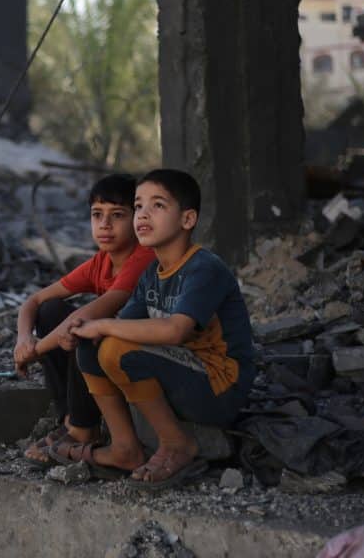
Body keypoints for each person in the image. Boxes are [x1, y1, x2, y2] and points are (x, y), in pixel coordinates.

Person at [69, 168, 255, 489]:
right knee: (94, 344)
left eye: (158, 205)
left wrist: (102, 323)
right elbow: (124, 326)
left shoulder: (203, 268)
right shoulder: (152, 274)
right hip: (181, 372)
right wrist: (92, 329)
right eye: (139, 205)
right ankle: (125, 447)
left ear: (187, 220)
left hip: (218, 387)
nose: (143, 214)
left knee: (114, 345)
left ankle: (176, 444)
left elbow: (175, 332)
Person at [14, 173, 155, 466]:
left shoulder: (143, 258)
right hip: (107, 361)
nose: (104, 225)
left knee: (84, 332)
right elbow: (34, 301)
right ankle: (69, 417)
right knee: (50, 311)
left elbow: (85, 317)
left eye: (117, 215)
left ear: (137, 219)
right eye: (97, 215)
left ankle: (84, 428)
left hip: (147, 355)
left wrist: (33, 352)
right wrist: (23, 339)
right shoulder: (100, 262)